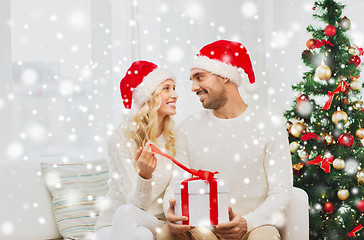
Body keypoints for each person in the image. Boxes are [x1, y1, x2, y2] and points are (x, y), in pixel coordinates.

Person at [157, 40, 293, 240]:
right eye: (192, 80)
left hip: (254, 227)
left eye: (200, 77)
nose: (193, 87)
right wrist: (174, 213)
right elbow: (176, 184)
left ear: (225, 76)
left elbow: (281, 193)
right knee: (168, 234)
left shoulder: (269, 125)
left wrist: (247, 222)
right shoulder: (187, 128)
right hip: (202, 229)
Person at [93, 60, 178, 240]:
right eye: (167, 89)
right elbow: (135, 205)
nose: (175, 94)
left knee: (132, 219)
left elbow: (173, 187)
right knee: (137, 230)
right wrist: (144, 177)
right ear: (149, 97)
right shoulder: (120, 139)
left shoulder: (173, 137)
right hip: (113, 225)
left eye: (174, 88)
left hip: (155, 222)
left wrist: (173, 215)